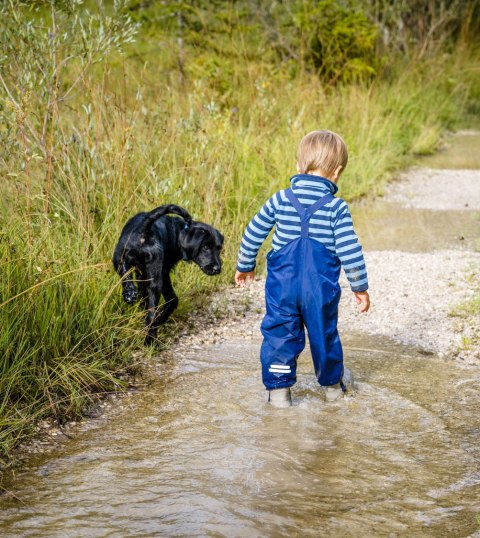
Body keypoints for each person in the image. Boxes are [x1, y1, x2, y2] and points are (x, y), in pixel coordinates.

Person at [234, 130, 370, 407]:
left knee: (280, 334)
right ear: (338, 171)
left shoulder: (280, 199)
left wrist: (245, 265)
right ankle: (332, 389)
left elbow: (253, 232)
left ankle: (279, 394)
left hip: (281, 288)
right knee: (324, 334)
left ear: (299, 166)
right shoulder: (335, 207)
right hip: (319, 290)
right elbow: (350, 249)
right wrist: (360, 286)